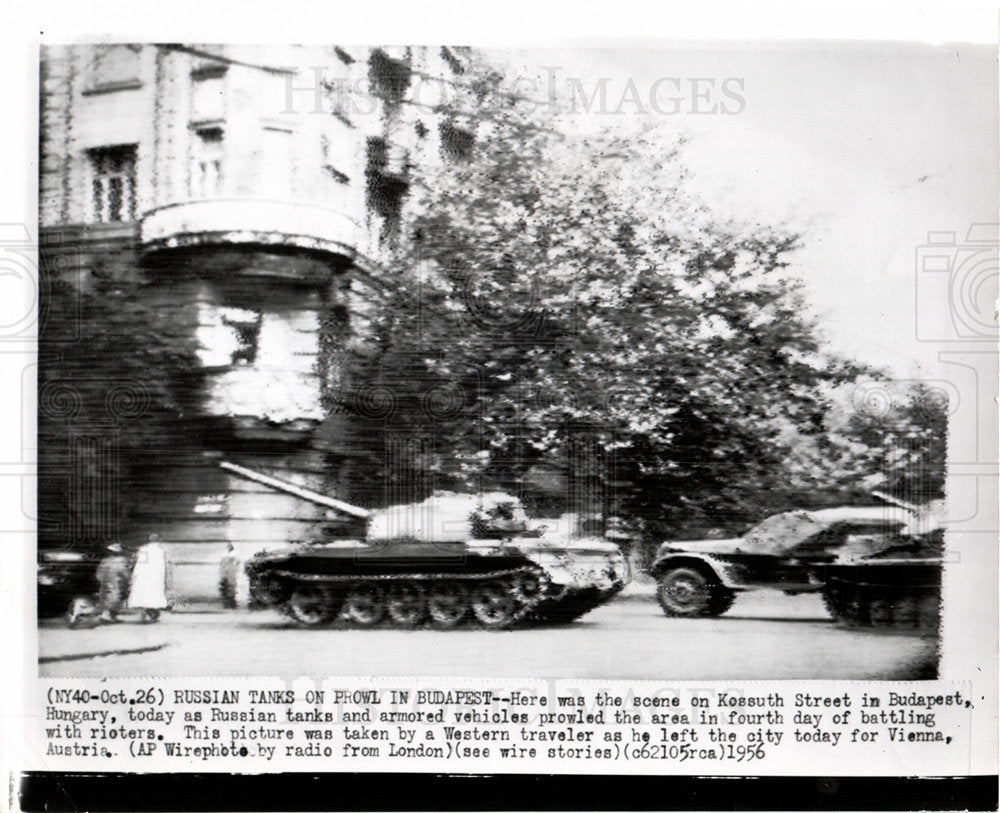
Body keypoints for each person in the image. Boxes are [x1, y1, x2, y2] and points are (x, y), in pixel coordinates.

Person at [127, 534, 169, 622]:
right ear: (159, 540)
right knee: (153, 594)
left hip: (142, 575)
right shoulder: (160, 550)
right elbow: (163, 565)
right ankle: (151, 612)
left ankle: (145, 612)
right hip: (155, 576)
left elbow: (136, 562)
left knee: (142, 593)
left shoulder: (143, 549)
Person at [95, 543, 132, 623]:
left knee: (108, 598)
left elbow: (99, 573)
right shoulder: (121, 560)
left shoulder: (105, 560)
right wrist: (128, 579)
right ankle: (107, 615)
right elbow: (125, 572)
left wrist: (101, 580)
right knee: (116, 599)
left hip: (107, 582)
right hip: (117, 582)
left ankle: (109, 615)